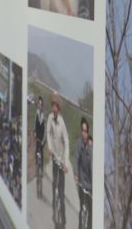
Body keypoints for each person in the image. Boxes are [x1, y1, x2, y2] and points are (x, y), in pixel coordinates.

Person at [46, 91, 69, 228]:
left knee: (61, 192)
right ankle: (55, 213)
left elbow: (67, 141)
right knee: (55, 185)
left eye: (55, 106)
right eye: (52, 105)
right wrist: (49, 147)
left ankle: (64, 220)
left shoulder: (62, 123)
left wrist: (65, 163)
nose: (53, 108)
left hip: (61, 160)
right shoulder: (49, 118)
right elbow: (48, 133)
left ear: (58, 109)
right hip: (54, 157)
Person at [74, 117, 92, 229]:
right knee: (82, 208)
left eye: (86, 131)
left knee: (90, 213)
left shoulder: (91, 147)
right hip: (81, 181)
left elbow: (92, 167)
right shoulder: (78, 144)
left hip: (90, 184)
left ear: (88, 132)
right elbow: (76, 159)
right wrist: (76, 174)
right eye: (82, 131)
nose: (84, 134)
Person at [34, 95, 47, 199]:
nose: (40, 105)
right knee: (36, 153)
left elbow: (45, 130)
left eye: (41, 104)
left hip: (42, 140)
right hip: (37, 139)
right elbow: (35, 126)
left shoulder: (44, 116)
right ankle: (36, 169)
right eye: (39, 104)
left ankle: (41, 171)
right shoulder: (36, 114)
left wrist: (44, 140)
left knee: (41, 156)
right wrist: (34, 134)